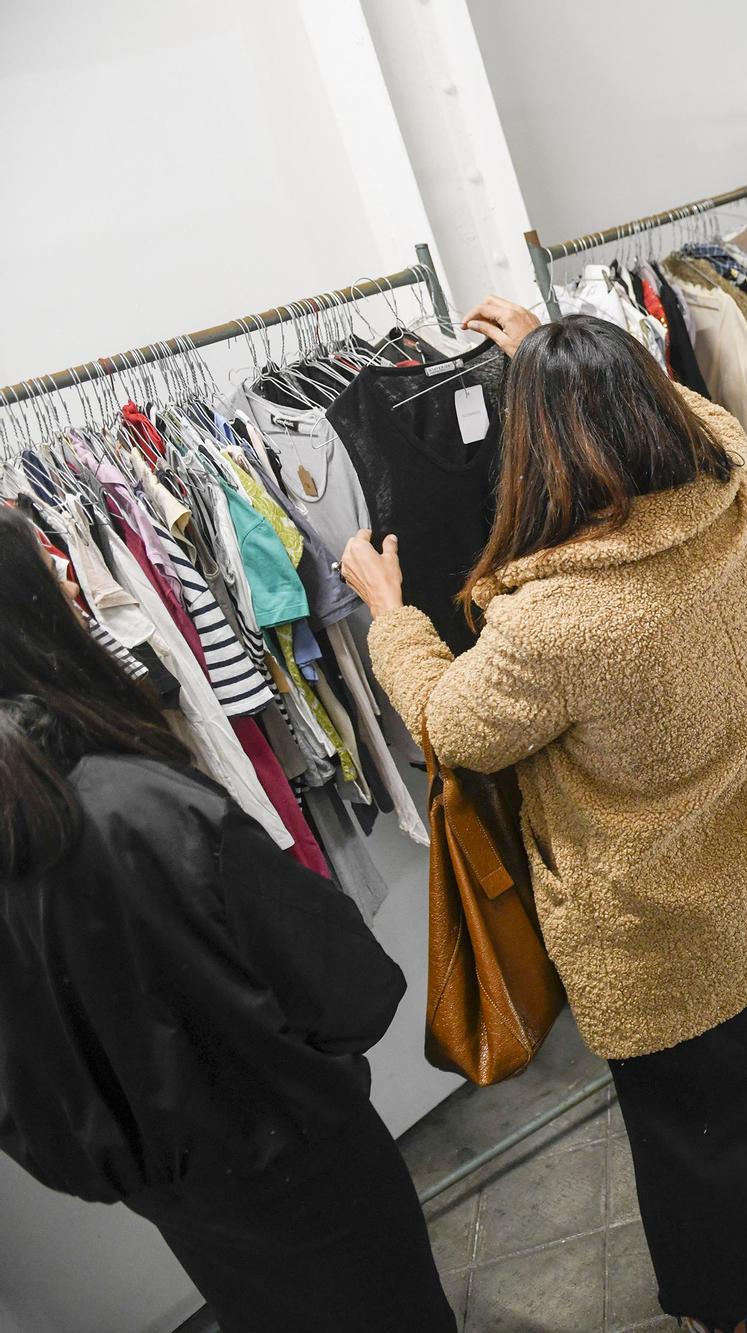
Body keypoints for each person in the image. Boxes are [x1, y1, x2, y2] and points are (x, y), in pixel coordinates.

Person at [341, 303, 747, 1333]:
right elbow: (700, 410)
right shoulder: (735, 482)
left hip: (660, 926)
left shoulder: (553, 620)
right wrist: (559, 350)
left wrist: (392, 618)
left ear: (536, 446)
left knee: (695, 1134)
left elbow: (451, 724)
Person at [0, 505, 454, 1333]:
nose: (73, 577)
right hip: (308, 1169)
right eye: (47, 567)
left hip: (185, 1203)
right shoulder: (147, 809)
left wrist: (141, 1162)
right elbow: (350, 990)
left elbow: (24, 1109)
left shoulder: (109, 810)